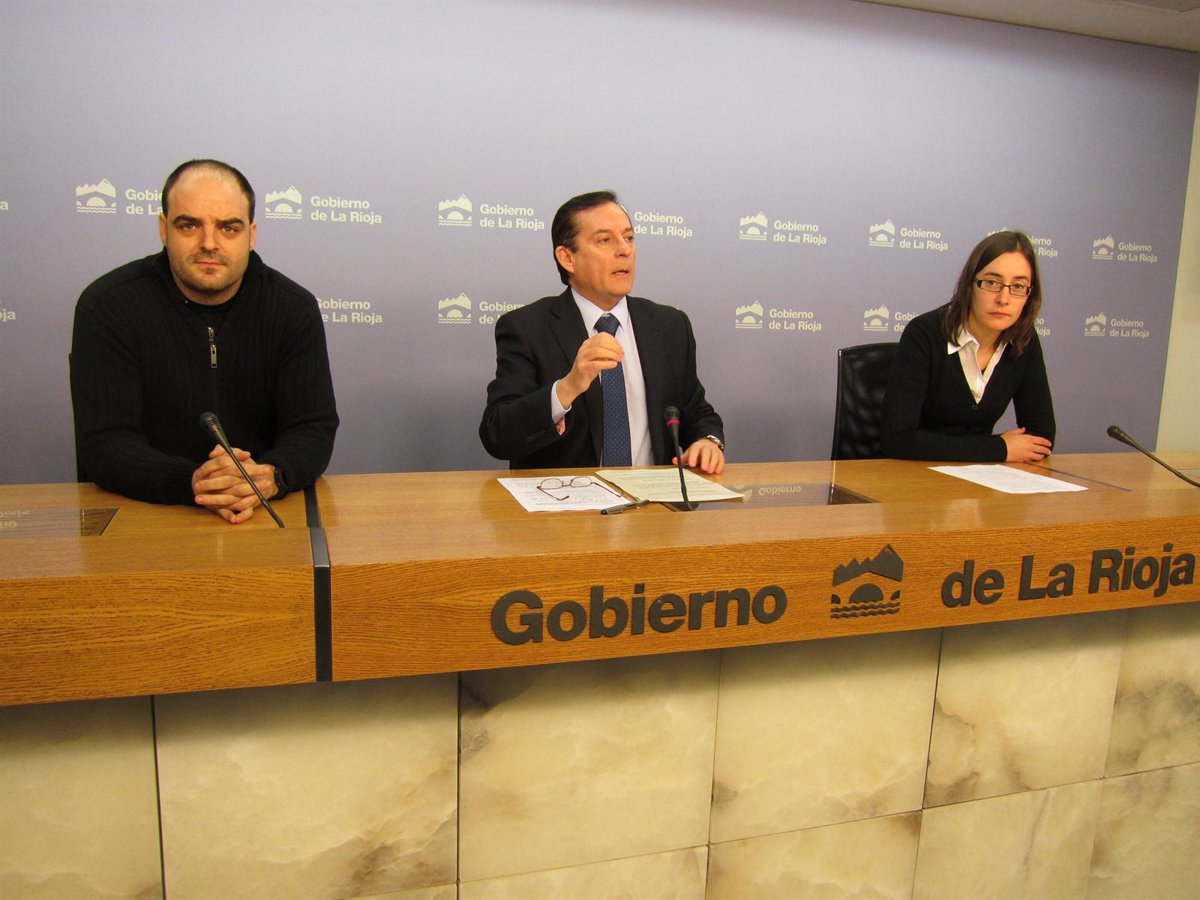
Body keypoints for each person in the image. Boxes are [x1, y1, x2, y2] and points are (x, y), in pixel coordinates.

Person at [70, 159, 338, 523]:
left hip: (260, 513)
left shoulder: (293, 308)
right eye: (189, 225)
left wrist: (270, 476)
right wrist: (194, 482)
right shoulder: (108, 306)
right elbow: (106, 443)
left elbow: (312, 428)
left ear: (251, 235)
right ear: (164, 229)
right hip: (143, 516)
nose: (209, 243)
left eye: (228, 228)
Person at [479, 190, 725, 472]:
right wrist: (567, 387)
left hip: (651, 496)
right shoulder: (527, 328)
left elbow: (696, 411)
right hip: (567, 497)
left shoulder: (669, 325)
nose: (624, 250)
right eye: (605, 240)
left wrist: (707, 441)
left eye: (629, 238)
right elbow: (498, 435)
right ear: (567, 258)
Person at [880, 230, 1055, 463]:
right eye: (992, 283)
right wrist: (999, 448)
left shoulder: (1024, 339)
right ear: (969, 285)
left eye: (1018, 286)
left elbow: (1041, 438)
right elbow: (897, 440)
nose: (1004, 299)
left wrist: (992, 450)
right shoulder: (924, 333)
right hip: (911, 474)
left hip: (978, 477)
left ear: (1030, 295)